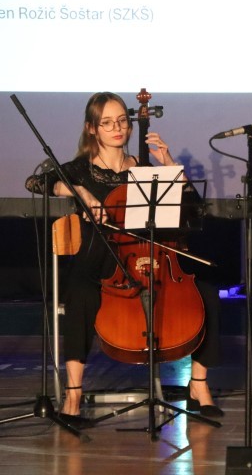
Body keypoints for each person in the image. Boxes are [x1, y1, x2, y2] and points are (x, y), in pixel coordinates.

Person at [25, 92, 224, 427]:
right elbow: (35, 182)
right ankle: (73, 394)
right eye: (107, 122)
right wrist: (79, 191)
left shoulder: (143, 168)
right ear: (92, 128)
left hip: (148, 260)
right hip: (99, 261)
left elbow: (192, 209)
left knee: (206, 294)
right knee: (80, 294)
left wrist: (169, 164)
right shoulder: (80, 169)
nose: (117, 128)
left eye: (121, 121)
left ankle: (199, 384)